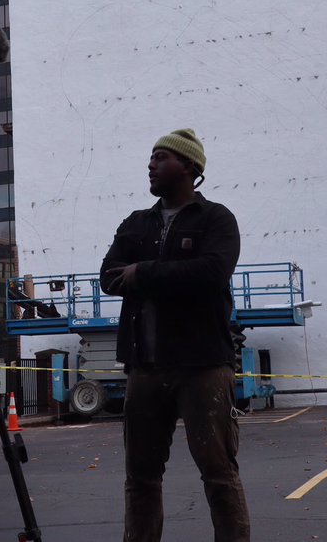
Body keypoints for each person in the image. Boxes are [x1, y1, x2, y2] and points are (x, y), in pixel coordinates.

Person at [100, 128, 250, 542]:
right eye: (150, 157)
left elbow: (211, 272)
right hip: (144, 367)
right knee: (141, 478)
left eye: (160, 157)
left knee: (218, 473)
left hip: (202, 366)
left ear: (188, 166)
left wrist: (143, 272)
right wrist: (158, 275)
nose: (150, 164)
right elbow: (107, 278)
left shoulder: (216, 219)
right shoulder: (136, 223)